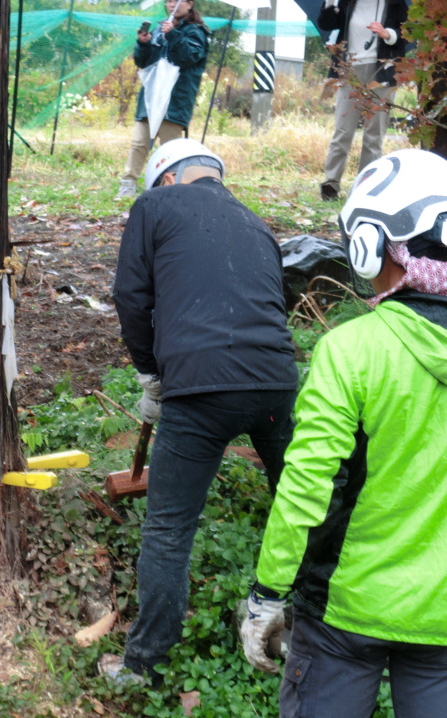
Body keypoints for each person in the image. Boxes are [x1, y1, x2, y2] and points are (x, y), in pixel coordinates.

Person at [240, 148, 447, 718]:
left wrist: (268, 593)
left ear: (370, 244)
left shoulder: (352, 350)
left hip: (345, 613)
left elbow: (310, 484)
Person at [103, 138, 298, 687]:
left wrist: (150, 373)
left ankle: (143, 666)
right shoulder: (257, 223)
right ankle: (313, 641)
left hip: (201, 391)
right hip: (277, 386)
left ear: (166, 179)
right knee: (308, 508)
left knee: (168, 529)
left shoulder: (155, 206)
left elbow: (130, 295)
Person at [115, 0, 209, 200]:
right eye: (168, 1)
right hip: (151, 96)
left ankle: (168, 190)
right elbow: (143, 62)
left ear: (190, 4)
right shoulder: (159, 28)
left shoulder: (196, 31)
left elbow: (189, 57)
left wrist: (173, 35)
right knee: (139, 142)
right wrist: (143, 44)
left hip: (175, 99)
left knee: (170, 148)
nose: (172, 4)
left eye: (177, 0)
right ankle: (128, 184)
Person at [317, 0, 407, 201]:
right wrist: (331, 2)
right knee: (343, 130)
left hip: (382, 72)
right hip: (349, 71)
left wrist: (387, 34)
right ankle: (331, 184)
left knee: (374, 134)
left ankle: (366, 187)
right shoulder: (348, 2)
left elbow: (406, 35)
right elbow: (327, 23)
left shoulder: (395, 3)